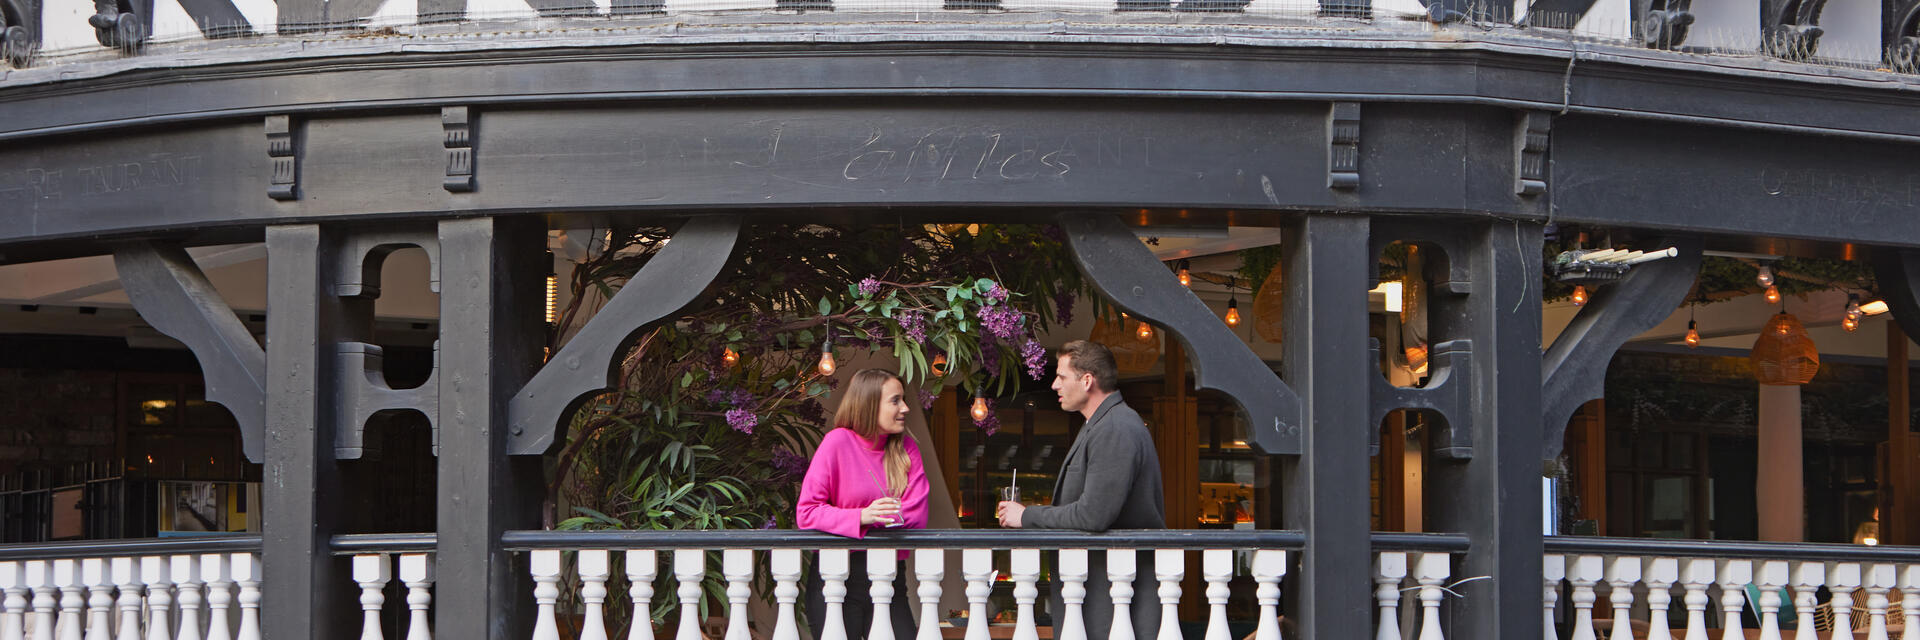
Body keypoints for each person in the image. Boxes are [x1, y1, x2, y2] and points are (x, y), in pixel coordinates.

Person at [998, 340, 1165, 640]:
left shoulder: (1115, 427)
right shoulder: (1103, 424)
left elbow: (1093, 516)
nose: (1054, 385)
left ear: (1087, 380)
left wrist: (1027, 516)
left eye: (1061, 376)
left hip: (1114, 601)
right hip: (1105, 596)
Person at [797, 368, 929, 640]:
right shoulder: (837, 442)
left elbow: (917, 514)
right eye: (895, 400)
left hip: (891, 575)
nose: (904, 408)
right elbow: (808, 513)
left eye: (903, 399)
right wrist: (862, 516)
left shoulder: (907, 450)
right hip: (837, 577)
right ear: (869, 404)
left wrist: (870, 518)